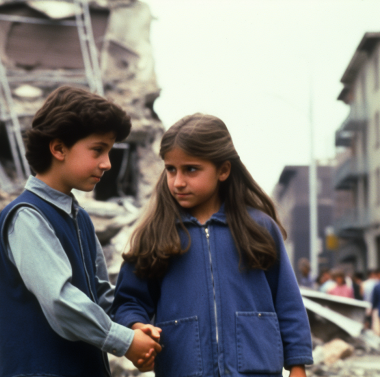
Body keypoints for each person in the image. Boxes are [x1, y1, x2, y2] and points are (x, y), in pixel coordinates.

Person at [111, 114, 313, 377]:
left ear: (223, 170)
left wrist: (297, 366)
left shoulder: (260, 228)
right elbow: (128, 301)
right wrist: (137, 326)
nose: (178, 181)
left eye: (191, 169)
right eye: (171, 169)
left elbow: (288, 303)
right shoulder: (155, 234)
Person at [0, 86, 161, 377]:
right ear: (58, 149)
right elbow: (61, 301)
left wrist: (131, 324)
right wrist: (125, 342)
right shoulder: (27, 217)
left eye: (109, 151)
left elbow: (100, 295)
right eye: (98, 150)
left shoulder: (79, 218)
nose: (107, 163)